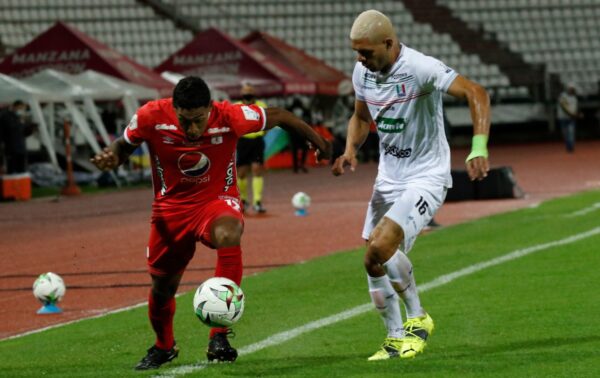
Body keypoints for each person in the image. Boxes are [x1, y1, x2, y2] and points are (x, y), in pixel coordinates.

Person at [90, 76, 331, 370]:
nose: (192, 129)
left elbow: (280, 115)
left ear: (210, 108)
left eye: (198, 120)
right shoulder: (150, 115)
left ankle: (219, 335)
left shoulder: (229, 116)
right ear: (174, 108)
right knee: (162, 289)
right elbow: (123, 145)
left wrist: (319, 142)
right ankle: (164, 346)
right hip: (170, 211)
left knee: (229, 233)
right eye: (184, 121)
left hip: (216, 200)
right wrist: (111, 157)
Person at [332, 10, 490, 361]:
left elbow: (476, 92)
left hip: (426, 175)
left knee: (380, 246)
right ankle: (394, 338)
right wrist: (349, 150)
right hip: (388, 178)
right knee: (372, 261)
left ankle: (417, 319)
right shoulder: (363, 72)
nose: (360, 59)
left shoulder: (420, 67)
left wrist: (478, 147)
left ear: (388, 43)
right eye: (356, 51)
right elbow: (359, 117)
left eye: (366, 52)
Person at [235, 83, 268, 213]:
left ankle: (257, 201)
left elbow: (267, 122)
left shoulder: (261, 106)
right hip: (243, 141)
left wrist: (262, 133)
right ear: (242, 93)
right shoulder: (236, 106)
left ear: (254, 93)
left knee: (256, 169)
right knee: (241, 172)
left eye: (250, 91)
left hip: (257, 141)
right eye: (245, 91)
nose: (247, 93)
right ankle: (243, 200)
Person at [0, 100, 33, 174]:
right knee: (12, 168)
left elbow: (24, 133)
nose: (21, 110)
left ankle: (21, 182)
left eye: (23, 109)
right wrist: (20, 122)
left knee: (21, 168)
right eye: (20, 108)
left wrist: (31, 129)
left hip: (21, 147)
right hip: (11, 146)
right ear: (15, 107)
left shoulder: (21, 118)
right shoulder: (6, 116)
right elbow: (10, 129)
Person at [287, 97, 312, 173]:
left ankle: (297, 166)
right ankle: (300, 165)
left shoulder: (290, 110)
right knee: (302, 149)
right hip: (299, 133)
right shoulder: (305, 110)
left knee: (296, 150)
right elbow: (310, 121)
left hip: (297, 133)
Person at [557, 83, 582, 153]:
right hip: (563, 118)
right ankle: (568, 145)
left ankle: (571, 147)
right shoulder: (562, 96)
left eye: (573, 89)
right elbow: (564, 107)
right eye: (570, 89)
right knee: (565, 134)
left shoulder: (574, 98)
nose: (571, 90)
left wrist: (577, 113)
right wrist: (573, 114)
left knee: (571, 133)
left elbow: (576, 107)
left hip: (571, 119)